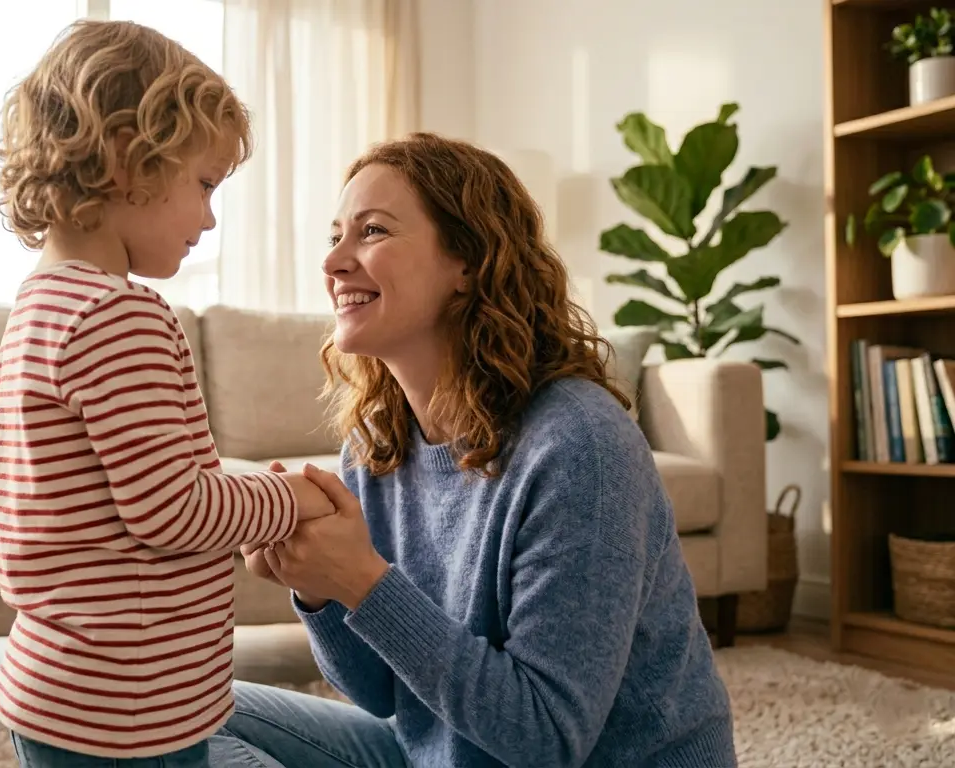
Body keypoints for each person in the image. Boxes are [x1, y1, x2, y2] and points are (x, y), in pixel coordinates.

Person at [220, 133, 738, 768]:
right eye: (335, 238)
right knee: (193, 713)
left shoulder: (579, 446)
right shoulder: (377, 443)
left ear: (467, 262)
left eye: (373, 231)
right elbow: (381, 694)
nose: (334, 264)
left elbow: (546, 737)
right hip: (443, 756)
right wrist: (322, 592)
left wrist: (362, 578)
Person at [0, 19, 335, 767]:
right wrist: (300, 496)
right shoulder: (120, 314)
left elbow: (144, 489)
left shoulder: (40, 304)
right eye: (203, 184)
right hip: (126, 708)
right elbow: (173, 510)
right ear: (123, 158)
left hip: (64, 692)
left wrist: (247, 488)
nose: (209, 218)